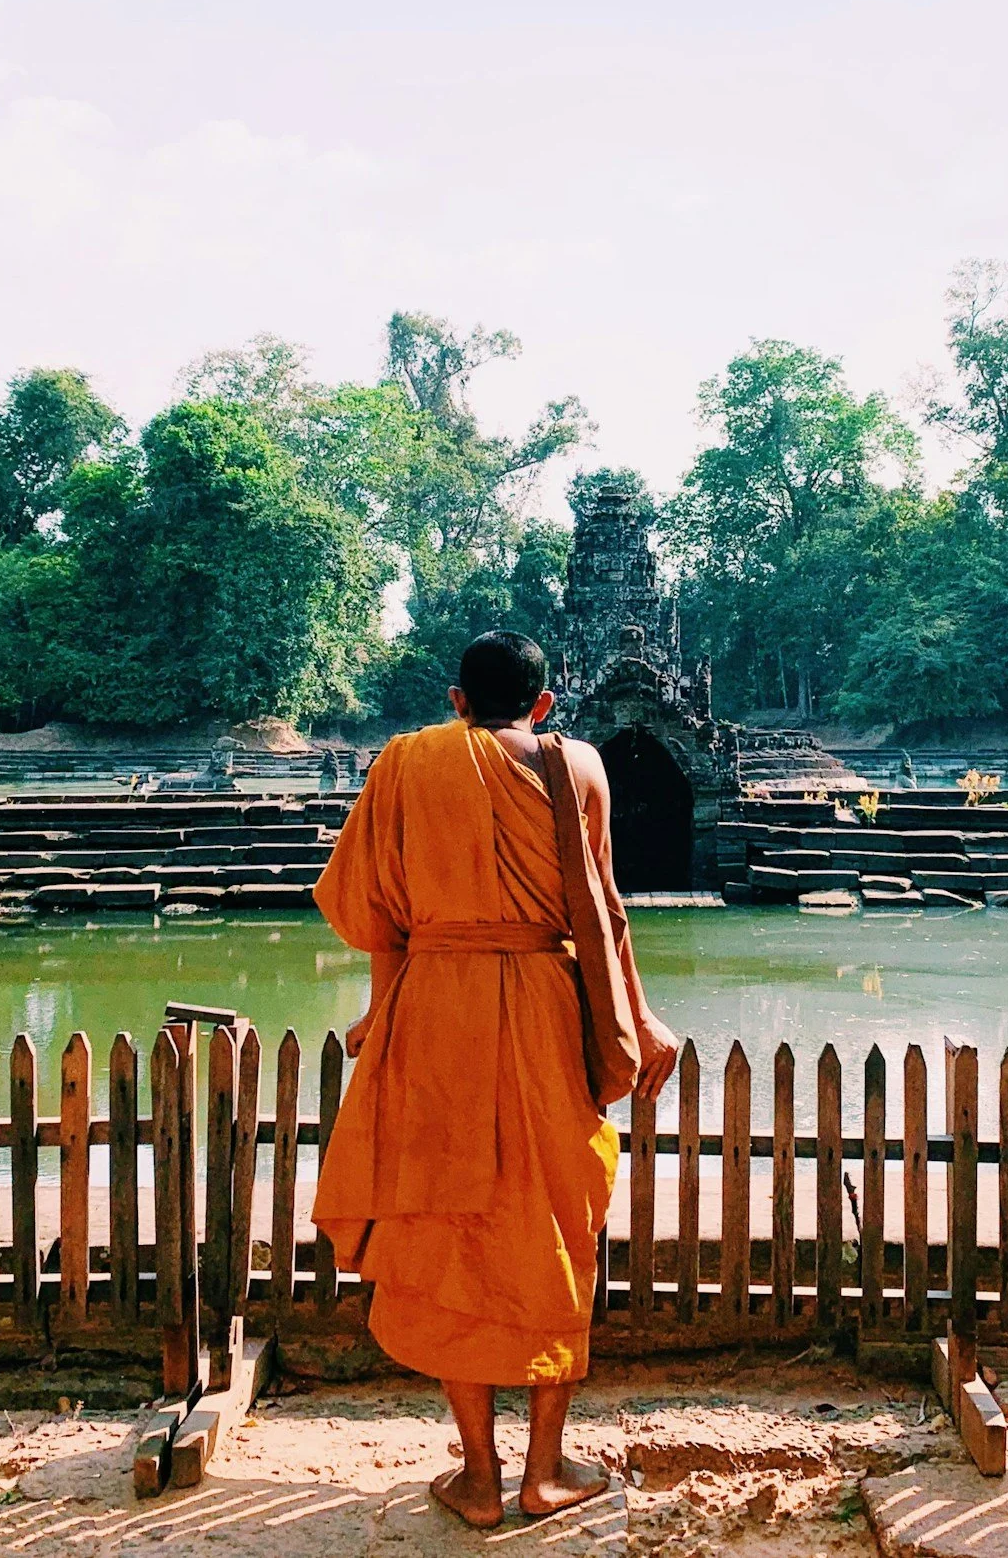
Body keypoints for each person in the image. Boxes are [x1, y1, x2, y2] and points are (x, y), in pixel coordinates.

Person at [311, 630, 680, 1528]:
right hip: (548, 1010)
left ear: (455, 698)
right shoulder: (580, 766)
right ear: (545, 704)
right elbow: (601, 907)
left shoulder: (405, 762)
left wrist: (383, 1005)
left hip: (438, 1009)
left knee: (452, 1227)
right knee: (557, 1224)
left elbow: (378, 912)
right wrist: (636, 1015)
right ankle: (544, 1472)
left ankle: (478, 1476)